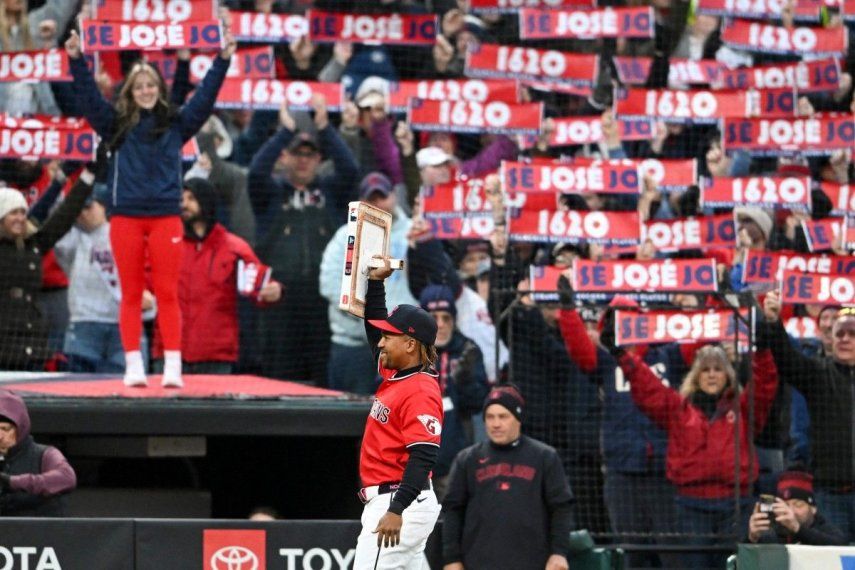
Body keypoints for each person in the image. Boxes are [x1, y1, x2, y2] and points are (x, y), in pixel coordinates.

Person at [64, 28, 236, 388]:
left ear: (159, 88)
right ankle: (133, 366)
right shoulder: (115, 125)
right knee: (131, 294)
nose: (145, 91)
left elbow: (205, 97)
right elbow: (89, 97)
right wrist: (76, 58)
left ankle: (173, 365)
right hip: (126, 218)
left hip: (165, 218)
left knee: (167, 293)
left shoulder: (177, 124)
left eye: (151, 85)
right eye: (139, 86)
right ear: (130, 91)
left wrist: (223, 59)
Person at [601, 320, 779, 569]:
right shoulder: (679, 409)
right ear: (696, 375)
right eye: (705, 370)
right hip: (690, 508)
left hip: (736, 506)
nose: (712, 374)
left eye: (718, 369)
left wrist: (762, 350)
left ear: (728, 374)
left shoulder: (743, 409)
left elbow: (765, 384)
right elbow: (648, 387)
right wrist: (622, 355)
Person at [248, 99, 359, 384]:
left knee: (323, 379)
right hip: (281, 302)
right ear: (284, 157)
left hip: (322, 302)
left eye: (310, 155)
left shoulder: (331, 192)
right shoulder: (270, 194)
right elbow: (256, 172)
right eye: (297, 153)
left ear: (319, 160)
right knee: (280, 379)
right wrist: (284, 132)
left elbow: (350, 171)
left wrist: (325, 128)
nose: (303, 160)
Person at [353, 256, 443, 569]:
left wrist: (397, 509)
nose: (381, 343)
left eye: (389, 337)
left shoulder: (420, 391)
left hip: (399, 500)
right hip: (397, 499)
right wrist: (376, 283)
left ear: (410, 345)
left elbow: (424, 455)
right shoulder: (399, 375)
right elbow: (373, 328)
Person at [150, 178, 282, 375]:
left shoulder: (234, 247)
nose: (183, 204)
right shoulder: (165, 244)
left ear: (207, 202)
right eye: (181, 199)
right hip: (169, 352)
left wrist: (273, 291)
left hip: (216, 354)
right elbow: (145, 279)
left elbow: (259, 283)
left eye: (191, 199)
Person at [442, 385, 575, 570]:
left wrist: (558, 553)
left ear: (518, 418)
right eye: (490, 417)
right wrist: (451, 559)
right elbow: (452, 511)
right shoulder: (467, 460)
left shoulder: (545, 457)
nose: (496, 424)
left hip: (534, 563)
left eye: (503, 416)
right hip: (478, 563)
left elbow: (561, 508)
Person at [762, 294, 855, 542]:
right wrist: (774, 322)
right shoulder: (819, 374)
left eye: (852, 334)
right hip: (831, 494)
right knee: (833, 558)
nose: (844, 339)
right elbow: (787, 360)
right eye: (839, 334)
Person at [319, 172, 415, 393]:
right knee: (352, 413)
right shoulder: (345, 237)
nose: (378, 204)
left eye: (383, 197)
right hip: (354, 345)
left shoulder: (412, 233)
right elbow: (328, 282)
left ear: (394, 196)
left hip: (403, 347)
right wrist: (369, 316)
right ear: (362, 202)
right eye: (372, 199)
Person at [0, 169, 95, 370]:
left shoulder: (33, 245)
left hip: (32, 343)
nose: (20, 218)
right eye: (13, 213)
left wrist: (88, 177)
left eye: (23, 212)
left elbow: (65, 215)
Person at [53, 185, 153, 373]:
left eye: (88, 207)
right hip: (84, 323)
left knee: (127, 385)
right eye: (79, 209)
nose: (83, 213)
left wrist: (149, 300)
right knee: (76, 386)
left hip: (124, 324)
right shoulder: (72, 240)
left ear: (104, 206)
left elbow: (149, 272)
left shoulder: (127, 233)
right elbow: (55, 229)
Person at [418, 284, 490, 499]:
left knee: (452, 513)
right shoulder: (407, 350)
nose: (440, 325)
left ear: (454, 320)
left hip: (453, 459)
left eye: (446, 318)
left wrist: (465, 382)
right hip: (412, 461)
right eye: (433, 318)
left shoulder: (468, 350)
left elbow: (478, 404)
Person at [0, 390, 76, 516]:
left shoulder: (45, 454)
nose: (0, 436)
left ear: (21, 428)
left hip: (39, 527)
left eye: (5, 429)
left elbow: (67, 478)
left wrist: (11, 482)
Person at [747, 471, 848, 545]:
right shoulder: (773, 531)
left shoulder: (823, 529)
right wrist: (752, 538)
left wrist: (797, 528)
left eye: (798, 505)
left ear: (813, 508)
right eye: (785, 505)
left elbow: (840, 546)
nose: (791, 511)